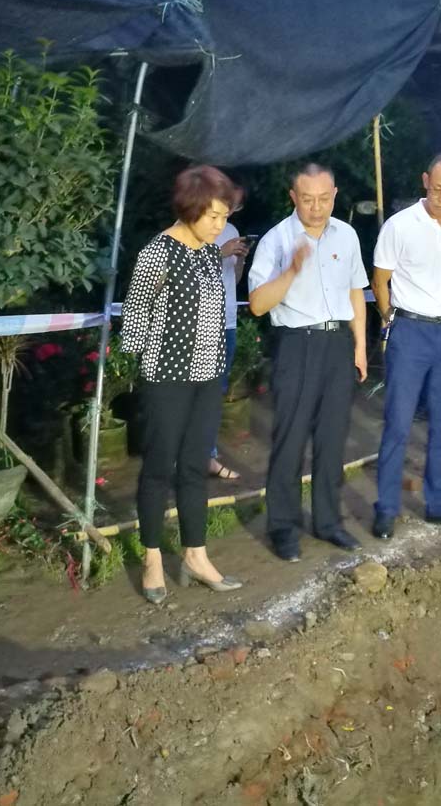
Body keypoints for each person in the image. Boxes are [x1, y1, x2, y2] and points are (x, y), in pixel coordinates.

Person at [120, 165, 243, 605]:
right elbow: (134, 317)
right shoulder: (157, 252)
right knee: (159, 468)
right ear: (190, 208)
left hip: (207, 378)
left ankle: (196, 555)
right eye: (213, 216)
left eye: (224, 216)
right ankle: (152, 557)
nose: (219, 225)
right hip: (166, 379)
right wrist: (146, 373)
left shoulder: (210, 254)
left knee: (194, 467)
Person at [247, 163, 369, 561]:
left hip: (338, 344)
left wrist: (360, 346)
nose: (316, 208)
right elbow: (258, 305)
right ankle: (282, 527)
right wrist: (291, 270)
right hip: (297, 344)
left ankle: (328, 522)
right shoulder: (276, 240)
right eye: (307, 199)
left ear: (334, 195)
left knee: (333, 437)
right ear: (293, 197)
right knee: (291, 437)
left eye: (323, 198)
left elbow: (356, 292)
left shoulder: (346, 234)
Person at [371, 152, 441, 539]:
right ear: (425, 181)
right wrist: (390, 321)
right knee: (398, 423)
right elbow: (380, 279)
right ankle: (386, 508)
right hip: (409, 331)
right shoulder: (400, 225)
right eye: (437, 189)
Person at [209, 220, 251, 480]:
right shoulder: (190, 226)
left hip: (228, 320)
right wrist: (219, 253)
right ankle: (190, 456)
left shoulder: (233, 230)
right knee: (197, 392)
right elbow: (182, 273)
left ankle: (208, 455)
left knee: (217, 390)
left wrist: (241, 259)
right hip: (200, 323)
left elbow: (233, 279)